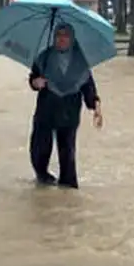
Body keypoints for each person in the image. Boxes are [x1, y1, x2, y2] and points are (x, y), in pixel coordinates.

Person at [28, 23, 103, 188]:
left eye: (66, 36)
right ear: (54, 38)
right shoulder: (43, 58)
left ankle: (68, 191)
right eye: (58, 35)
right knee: (39, 150)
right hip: (46, 109)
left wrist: (95, 106)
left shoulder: (80, 61)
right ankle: (43, 181)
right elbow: (33, 78)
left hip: (69, 111)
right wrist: (35, 82)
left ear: (72, 39)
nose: (62, 39)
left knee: (67, 154)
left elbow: (88, 87)